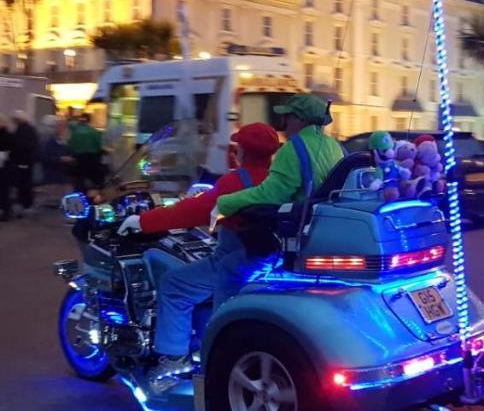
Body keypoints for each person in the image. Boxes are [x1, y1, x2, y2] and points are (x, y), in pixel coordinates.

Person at [140, 94, 344, 384]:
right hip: (296, 240)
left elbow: (262, 196)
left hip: (254, 249)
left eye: (288, 116)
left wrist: (145, 220)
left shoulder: (281, 157)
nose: (284, 121)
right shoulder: (332, 146)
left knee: (175, 285)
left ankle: (178, 360)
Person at [39, 118, 74, 207]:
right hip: (55, 169)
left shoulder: (71, 138)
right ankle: (54, 201)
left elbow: (75, 151)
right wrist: (59, 158)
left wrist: (71, 158)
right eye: (58, 126)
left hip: (67, 170)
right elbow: (45, 155)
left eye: (63, 126)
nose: (60, 128)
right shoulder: (50, 139)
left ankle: (64, 203)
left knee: (66, 187)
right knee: (56, 186)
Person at [10, 114, 39, 217]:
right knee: (25, 183)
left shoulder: (22, 130)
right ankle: (25, 204)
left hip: (23, 161)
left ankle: (25, 204)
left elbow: (21, 147)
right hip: (26, 162)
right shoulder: (29, 130)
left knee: (24, 183)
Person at [69, 115, 104, 192]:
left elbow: (70, 145)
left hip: (78, 158)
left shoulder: (74, 132)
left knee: (79, 179)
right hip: (92, 158)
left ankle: (80, 193)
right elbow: (99, 145)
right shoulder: (94, 132)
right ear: (89, 121)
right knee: (93, 179)